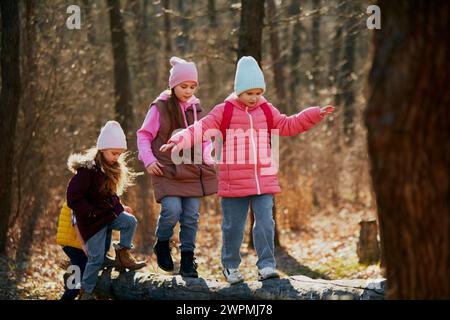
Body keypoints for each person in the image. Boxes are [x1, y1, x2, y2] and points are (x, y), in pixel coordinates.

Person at [160, 56, 334, 284]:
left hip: (263, 180)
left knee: (265, 222)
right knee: (233, 227)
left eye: (258, 92)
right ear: (239, 91)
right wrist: (179, 139)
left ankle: (267, 265)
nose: (254, 98)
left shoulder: (267, 111)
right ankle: (230, 266)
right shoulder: (225, 111)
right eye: (249, 93)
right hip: (234, 182)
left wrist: (313, 115)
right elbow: (201, 128)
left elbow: (288, 124)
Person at [137, 57, 217, 278]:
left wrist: (208, 160)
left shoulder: (196, 109)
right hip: (165, 168)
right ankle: (162, 243)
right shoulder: (159, 107)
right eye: (184, 86)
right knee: (172, 210)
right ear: (173, 85)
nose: (188, 91)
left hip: (192, 169)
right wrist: (149, 160)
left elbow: (205, 138)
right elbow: (144, 135)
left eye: (193, 86)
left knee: (191, 215)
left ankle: (188, 260)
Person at [67, 120, 146, 299]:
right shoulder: (87, 171)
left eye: (119, 154)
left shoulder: (111, 169)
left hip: (106, 216)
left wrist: (119, 209)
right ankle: (85, 291)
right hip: (92, 222)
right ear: (102, 149)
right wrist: (91, 212)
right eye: (113, 153)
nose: (116, 157)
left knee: (129, 221)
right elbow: (73, 198)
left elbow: (111, 197)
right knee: (95, 259)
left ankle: (123, 254)